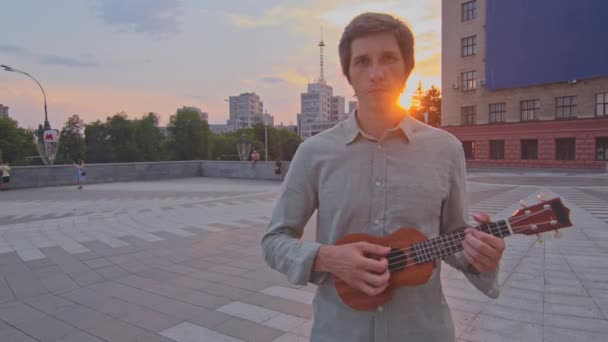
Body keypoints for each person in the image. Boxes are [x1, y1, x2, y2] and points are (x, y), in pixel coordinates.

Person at [261, 12, 505, 342]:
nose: (376, 73)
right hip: (340, 331)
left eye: (389, 58)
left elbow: (454, 238)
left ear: (407, 67)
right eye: (362, 61)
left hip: (422, 331)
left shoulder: (445, 149)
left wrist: (481, 256)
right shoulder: (313, 152)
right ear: (348, 74)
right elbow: (274, 241)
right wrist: (328, 257)